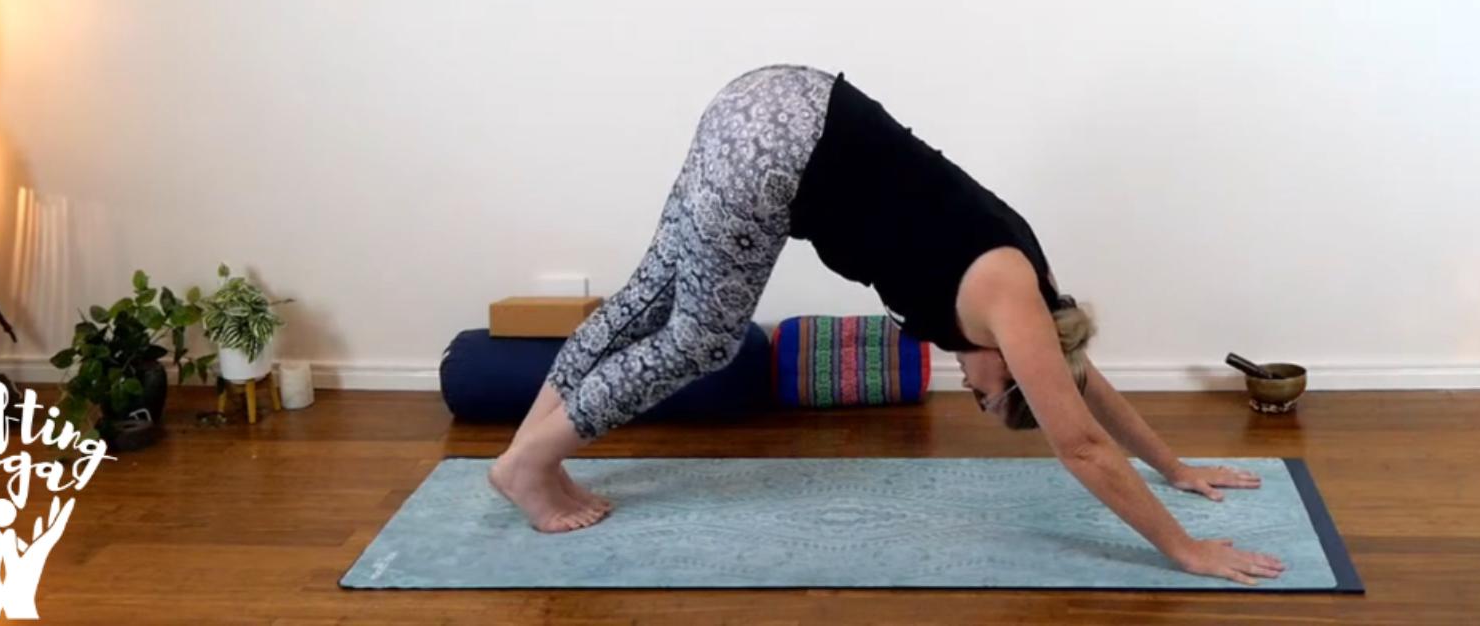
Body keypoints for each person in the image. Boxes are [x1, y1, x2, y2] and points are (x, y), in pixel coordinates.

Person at [489, 65, 1286, 585]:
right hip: (782, 147)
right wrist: (1184, 548)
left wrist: (1173, 465)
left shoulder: (1041, 303)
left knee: (645, 301)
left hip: (766, 100)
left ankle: (527, 454)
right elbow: (1079, 442)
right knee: (702, 338)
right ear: (1013, 368)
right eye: (988, 396)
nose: (970, 388)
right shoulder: (1010, 302)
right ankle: (531, 466)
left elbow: (1082, 384)